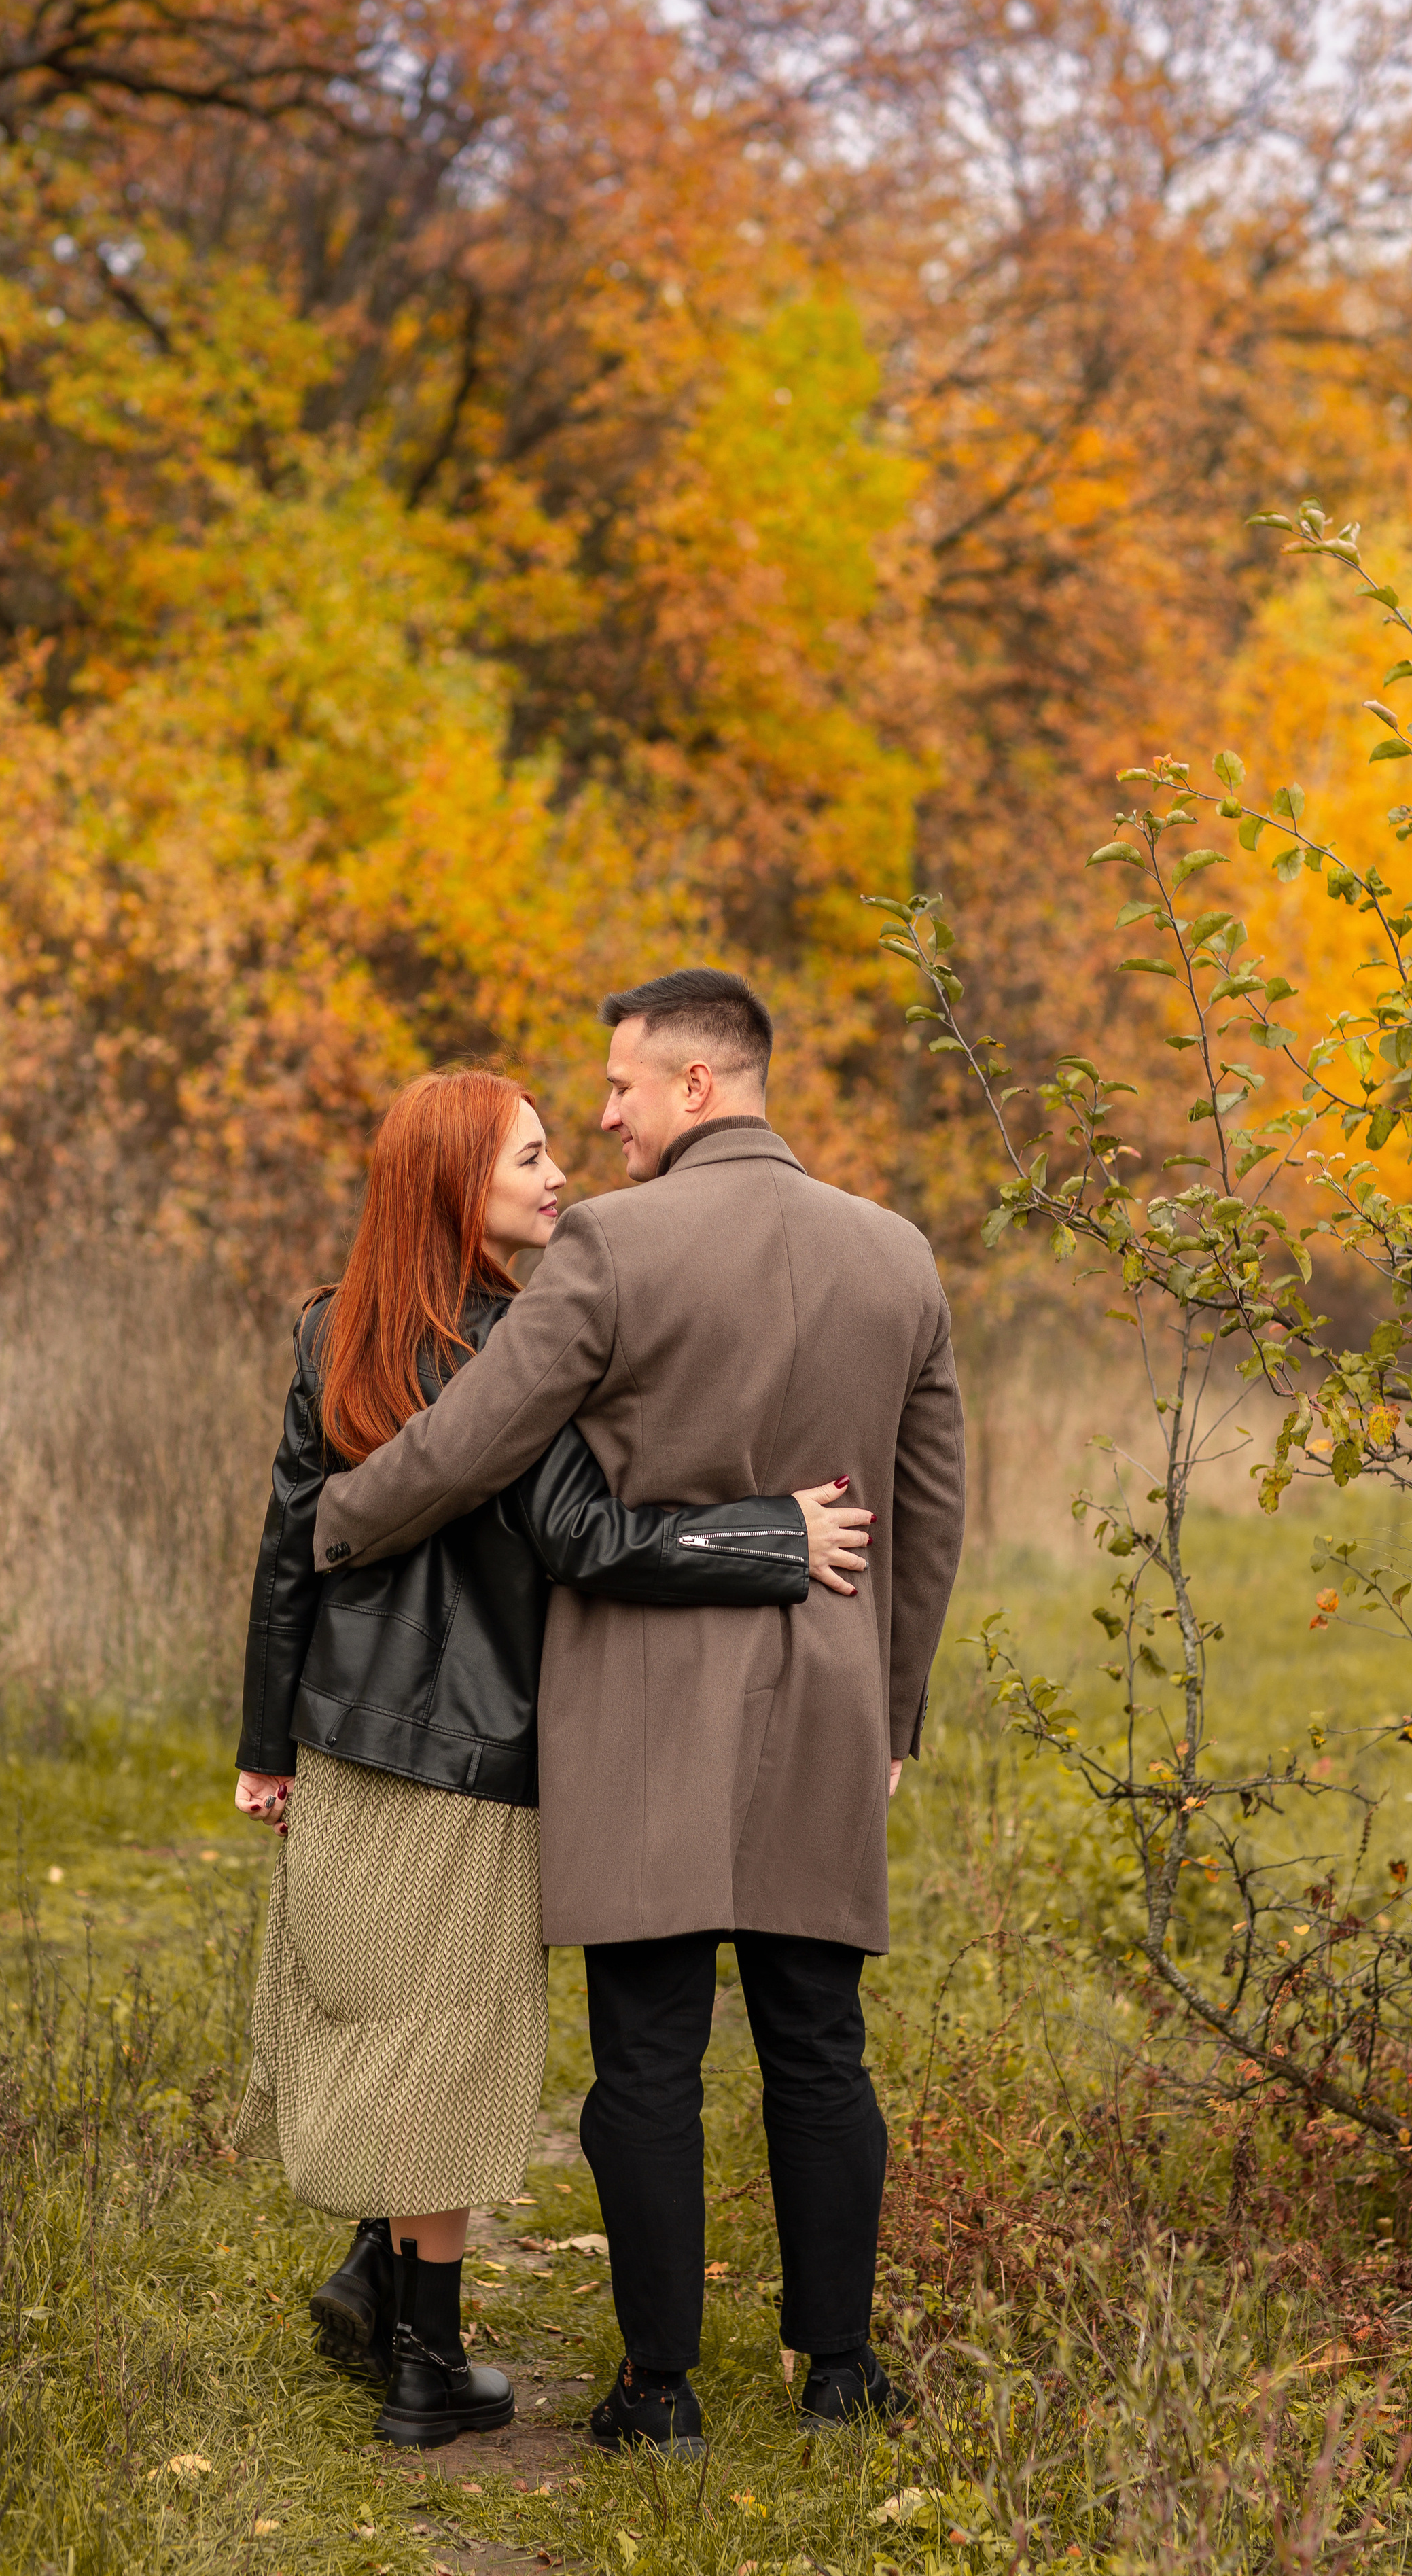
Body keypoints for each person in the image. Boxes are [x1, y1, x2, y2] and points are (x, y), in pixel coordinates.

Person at [311, 968, 966, 2454]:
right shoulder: (896, 1255)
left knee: (646, 2060)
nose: (598, 1118)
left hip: (639, 1715)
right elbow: (929, 1517)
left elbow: (471, 1439)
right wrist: (894, 1718)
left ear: (694, 1086)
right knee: (819, 2045)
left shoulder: (612, 1245)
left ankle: (655, 2393)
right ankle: (839, 2376)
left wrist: (335, 1520)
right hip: (825, 1709)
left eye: (616, 1089)